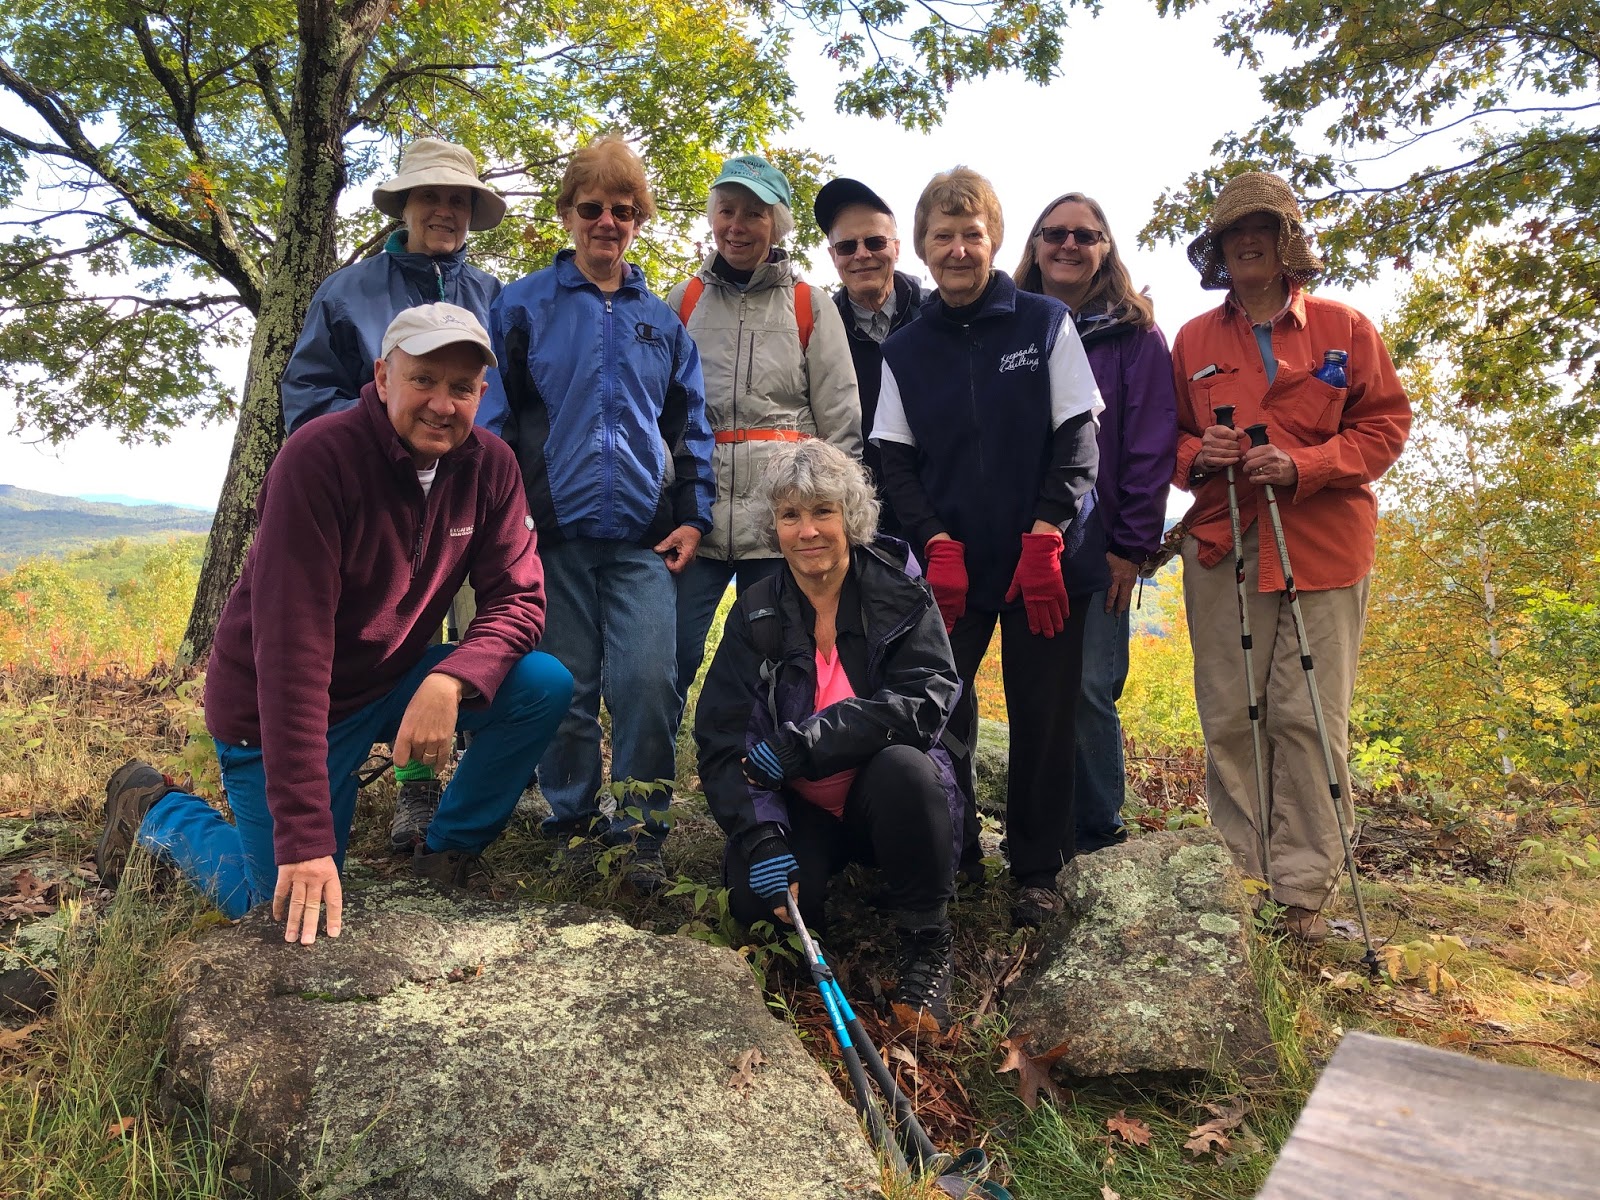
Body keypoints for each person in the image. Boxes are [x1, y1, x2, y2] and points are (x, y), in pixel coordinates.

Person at [95, 304, 574, 945]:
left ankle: (448, 852)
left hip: (386, 683)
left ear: (481, 394)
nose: (442, 404)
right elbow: (291, 656)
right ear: (382, 378)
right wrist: (304, 838)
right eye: (423, 379)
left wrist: (451, 679)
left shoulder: (491, 466)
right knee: (283, 908)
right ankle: (158, 810)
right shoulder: (318, 459)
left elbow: (519, 600)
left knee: (541, 684)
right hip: (275, 710)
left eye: (461, 388)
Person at [1171, 171, 1411, 944]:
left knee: (1306, 713)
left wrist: (1305, 465)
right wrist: (1198, 454)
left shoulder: (1346, 327)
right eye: (1233, 232)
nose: (1248, 242)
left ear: (1288, 242)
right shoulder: (1193, 340)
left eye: (1264, 228)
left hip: (1323, 541)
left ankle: (1303, 892)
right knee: (1230, 712)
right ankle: (1242, 878)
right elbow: (1164, 439)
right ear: (1217, 249)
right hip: (1224, 540)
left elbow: (1385, 427)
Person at [872, 167, 1103, 929]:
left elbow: (1078, 437)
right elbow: (894, 461)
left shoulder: (1043, 322)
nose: (959, 249)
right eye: (943, 236)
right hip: (951, 569)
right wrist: (933, 542)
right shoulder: (906, 348)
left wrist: (1048, 534)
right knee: (939, 712)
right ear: (923, 247)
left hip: (1046, 563)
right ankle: (954, 850)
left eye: (972, 234)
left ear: (996, 240)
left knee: (1045, 718)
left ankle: (1038, 871)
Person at [491, 136, 714, 890]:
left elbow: (690, 428)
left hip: (644, 541)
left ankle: (643, 829)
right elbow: (493, 421)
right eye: (592, 208)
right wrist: (505, 520)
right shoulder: (521, 306)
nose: (607, 223)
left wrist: (695, 516)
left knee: (649, 683)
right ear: (567, 214)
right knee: (566, 691)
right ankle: (573, 823)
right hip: (548, 538)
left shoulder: (663, 323)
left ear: (638, 221)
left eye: (623, 210)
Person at [280, 137, 513, 849]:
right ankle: (344, 764)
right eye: (430, 197)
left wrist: (494, 475)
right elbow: (308, 393)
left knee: (485, 645)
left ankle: (433, 791)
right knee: (376, 635)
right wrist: (383, 455)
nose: (445, 211)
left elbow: (514, 399)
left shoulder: (494, 296)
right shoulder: (348, 292)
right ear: (404, 206)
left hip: (470, 503)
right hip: (375, 506)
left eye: (458, 200)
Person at [694, 440, 963, 1028]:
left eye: (823, 511)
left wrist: (808, 744)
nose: (807, 531)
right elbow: (724, 735)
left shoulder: (898, 592)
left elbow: (927, 697)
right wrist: (760, 835)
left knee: (906, 770)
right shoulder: (757, 611)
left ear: (852, 516)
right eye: (790, 515)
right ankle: (809, 906)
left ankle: (927, 938)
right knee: (756, 905)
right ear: (774, 527)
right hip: (801, 809)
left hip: (884, 800)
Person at [667, 155, 862, 715]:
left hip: (781, 525)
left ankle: (772, 766)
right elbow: (660, 413)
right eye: (727, 211)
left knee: (778, 663)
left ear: (776, 225)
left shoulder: (808, 304)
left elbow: (841, 423)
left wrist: (832, 523)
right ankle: (652, 770)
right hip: (695, 520)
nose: (737, 226)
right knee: (668, 658)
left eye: (754, 214)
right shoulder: (683, 301)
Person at [1013, 193, 1177, 853]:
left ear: (1105, 249)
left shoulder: (1135, 335)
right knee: (1033, 687)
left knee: (1087, 687)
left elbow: (1150, 446)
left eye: (1085, 235)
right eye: (1055, 233)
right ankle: (1041, 836)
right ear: (1035, 244)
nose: (1068, 245)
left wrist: (1130, 548)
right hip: (1021, 539)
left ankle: (1098, 836)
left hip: (1100, 545)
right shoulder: (1010, 323)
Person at [812, 177, 924, 532]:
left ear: (896, 248)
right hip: (856, 517)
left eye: (875, 242)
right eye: (847, 246)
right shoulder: (817, 332)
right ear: (833, 256)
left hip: (939, 513)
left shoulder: (936, 316)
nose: (861, 254)